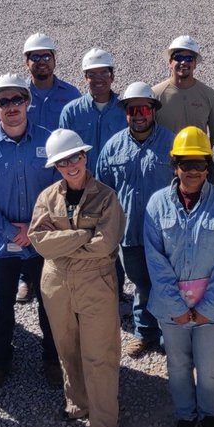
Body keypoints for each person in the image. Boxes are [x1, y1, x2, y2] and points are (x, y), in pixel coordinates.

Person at [143, 126, 214, 427]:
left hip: (213, 311)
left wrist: (204, 310)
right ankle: (186, 416)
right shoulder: (156, 205)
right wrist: (177, 308)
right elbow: (155, 262)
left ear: (207, 167)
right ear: (175, 166)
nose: (193, 171)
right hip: (171, 309)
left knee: (212, 368)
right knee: (179, 365)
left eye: (200, 164)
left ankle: (209, 414)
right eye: (186, 164)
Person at [28, 129, 126, 427]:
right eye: (63, 161)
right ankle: (77, 404)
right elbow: (39, 240)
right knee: (66, 347)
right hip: (55, 282)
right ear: (55, 165)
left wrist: (65, 243)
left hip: (95, 281)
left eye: (76, 157)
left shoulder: (106, 197)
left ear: (85, 157)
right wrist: (83, 235)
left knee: (99, 353)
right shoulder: (47, 198)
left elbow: (105, 244)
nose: (71, 165)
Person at [0, 73, 61, 393]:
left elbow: (60, 190)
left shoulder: (49, 142)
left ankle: (52, 360)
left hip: (42, 242)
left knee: (50, 304)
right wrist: (11, 230)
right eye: (3, 101)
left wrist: (34, 230)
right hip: (1, 244)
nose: (11, 107)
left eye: (17, 99)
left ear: (27, 101)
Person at [93, 81, 175, 358]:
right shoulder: (112, 148)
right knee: (140, 283)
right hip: (130, 233)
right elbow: (102, 190)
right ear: (125, 113)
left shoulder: (172, 144)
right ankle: (144, 332)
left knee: (166, 282)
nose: (138, 115)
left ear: (153, 110)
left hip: (166, 233)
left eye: (144, 108)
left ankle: (168, 332)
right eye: (132, 110)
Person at [19, 32, 80, 303]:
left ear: (54, 60)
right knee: (27, 222)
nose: (41, 61)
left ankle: (62, 276)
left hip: (59, 173)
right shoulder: (17, 94)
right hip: (28, 172)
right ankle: (27, 278)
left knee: (59, 222)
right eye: (35, 57)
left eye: (46, 56)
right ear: (26, 61)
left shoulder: (70, 94)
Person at [153, 34, 214, 142]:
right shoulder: (155, 94)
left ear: (195, 64)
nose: (183, 62)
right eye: (178, 58)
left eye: (189, 58)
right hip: (166, 158)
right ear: (170, 62)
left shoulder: (209, 95)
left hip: (199, 158)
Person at [59, 48, 124, 159]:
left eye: (104, 73)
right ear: (85, 78)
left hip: (115, 176)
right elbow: (63, 152)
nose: (98, 79)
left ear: (112, 76)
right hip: (82, 176)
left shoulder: (125, 111)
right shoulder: (71, 112)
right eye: (92, 74)